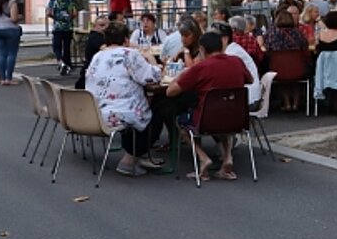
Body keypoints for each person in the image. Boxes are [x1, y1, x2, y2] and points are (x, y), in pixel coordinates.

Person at [167, 30, 252, 181]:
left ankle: (203, 158)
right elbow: (250, 80)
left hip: (206, 119)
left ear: (202, 49)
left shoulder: (201, 68)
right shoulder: (237, 62)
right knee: (223, 117)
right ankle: (227, 157)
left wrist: (180, 76)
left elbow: (170, 92)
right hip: (236, 118)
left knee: (182, 121)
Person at [84, 20, 164, 177]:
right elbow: (150, 77)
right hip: (118, 114)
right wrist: (153, 61)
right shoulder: (129, 54)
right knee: (156, 113)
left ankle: (136, 156)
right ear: (126, 39)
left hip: (95, 113)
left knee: (134, 107)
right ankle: (129, 160)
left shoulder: (98, 56)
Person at [44, 0, 77, 76]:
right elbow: (74, 13)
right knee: (67, 47)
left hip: (57, 27)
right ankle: (67, 65)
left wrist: (56, 18)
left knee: (56, 46)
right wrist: (68, 19)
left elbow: (49, 13)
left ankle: (60, 61)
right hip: (68, 27)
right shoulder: (71, 0)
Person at [75, 14, 110, 89]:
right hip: (93, 72)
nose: (105, 28)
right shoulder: (96, 36)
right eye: (102, 25)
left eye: (108, 26)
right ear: (95, 26)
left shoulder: (101, 36)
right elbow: (106, 49)